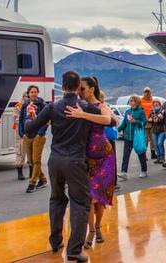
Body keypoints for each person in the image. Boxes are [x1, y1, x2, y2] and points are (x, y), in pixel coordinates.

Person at [24, 70, 101, 262]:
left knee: (57, 199)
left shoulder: (52, 107)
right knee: (80, 203)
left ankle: (55, 241)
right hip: (76, 160)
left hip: (55, 159)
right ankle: (75, 249)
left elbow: (29, 129)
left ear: (63, 85)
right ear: (78, 88)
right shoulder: (86, 108)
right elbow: (106, 120)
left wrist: (29, 115)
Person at [65, 76, 113, 248]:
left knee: (100, 197)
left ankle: (98, 226)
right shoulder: (79, 105)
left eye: (83, 89)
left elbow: (108, 120)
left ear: (92, 89)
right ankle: (92, 230)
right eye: (79, 89)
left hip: (104, 155)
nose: (80, 92)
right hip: (86, 156)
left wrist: (83, 115)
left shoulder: (101, 106)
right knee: (90, 196)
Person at [19, 85, 49, 193]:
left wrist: (40, 133)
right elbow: (21, 119)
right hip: (28, 136)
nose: (34, 94)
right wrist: (22, 133)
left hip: (38, 136)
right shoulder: (25, 105)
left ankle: (32, 184)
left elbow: (47, 120)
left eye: (35, 92)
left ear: (38, 93)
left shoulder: (43, 106)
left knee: (36, 160)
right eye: (32, 92)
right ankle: (43, 179)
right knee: (31, 161)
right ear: (28, 93)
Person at [117, 95, 148, 179]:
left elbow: (144, 122)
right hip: (127, 137)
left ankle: (144, 170)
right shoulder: (127, 112)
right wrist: (117, 130)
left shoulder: (141, 111)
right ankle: (124, 172)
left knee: (141, 154)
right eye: (130, 101)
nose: (130, 102)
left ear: (136, 102)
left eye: (132, 100)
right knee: (125, 155)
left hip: (137, 137)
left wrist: (135, 121)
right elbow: (124, 123)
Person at [13, 92, 28, 180]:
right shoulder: (18, 106)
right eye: (25, 97)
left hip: (29, 131)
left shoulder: (31, 105)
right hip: (20, 132)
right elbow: (16, 119)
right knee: (20, 152)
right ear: (23, 97)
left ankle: (31, 171)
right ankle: (20, 172)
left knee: (30, 152)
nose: (26, 98)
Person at [141, 87, 157, 160]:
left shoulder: (153, 101)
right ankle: (144, 155)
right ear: (143, 93)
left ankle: (153, 154)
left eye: (148, 92)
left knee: (153, 139)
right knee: (145, 139)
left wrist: (153, 118)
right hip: (144, 123)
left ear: (150, 92)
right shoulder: (140, 101)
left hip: (152, 122)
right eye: (146, 92)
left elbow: (155, 111)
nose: (147, 93)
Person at [149, 99, 166, 164]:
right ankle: (158, 157)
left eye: (157, 103)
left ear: (159, 104)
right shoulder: (152, 111)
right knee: (156, 144)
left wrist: (158, 119)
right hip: (154, 130)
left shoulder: (162, 111)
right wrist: (151, 119)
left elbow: (164, 120)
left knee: (160, 143)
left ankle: (162, 157)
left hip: (162, 130)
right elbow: (149, 119)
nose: (156, 104)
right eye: (154, 103)